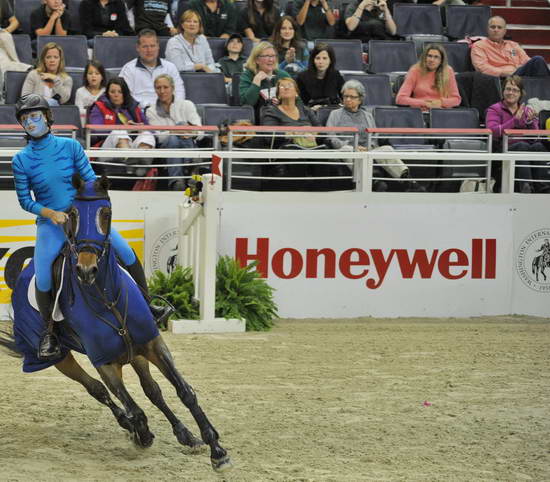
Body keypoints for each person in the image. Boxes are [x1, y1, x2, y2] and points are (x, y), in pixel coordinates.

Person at [11, 94, 171, 360]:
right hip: (51, 224)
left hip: (82, 218)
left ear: (48, 118)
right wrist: (50, 213)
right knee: (43, 274)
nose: (30, 122)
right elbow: (25, 200)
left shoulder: (71, 147)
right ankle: (49, 333)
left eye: (35, 116)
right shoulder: (21, 160)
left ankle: (148, 305)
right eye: (25, 119)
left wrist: (87, 206)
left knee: (126, 251)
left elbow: (89, 180)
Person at [326, 79, 424, 192]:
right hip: (347, 149)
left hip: (367, 149)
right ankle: (373, 181)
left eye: (352, 97)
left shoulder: (367, 115)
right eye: (345, 96)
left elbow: (374, 135)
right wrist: (354, 147)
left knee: (387, 149)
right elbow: (331, 136)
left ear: (360, 99)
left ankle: (408, 181)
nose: (348, 99)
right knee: (347, 150)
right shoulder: (335, 114)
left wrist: (369, 146)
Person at [486, 75, 549, 193]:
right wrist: (514, 121)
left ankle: (543, 187)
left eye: (515, 90)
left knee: (538, 147)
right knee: (522, 146)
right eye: (508, 89)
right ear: (503, 91)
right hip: (503, 148)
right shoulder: (494, 109)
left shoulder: (526, 110)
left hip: (526, 147)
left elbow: (536, 138)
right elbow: (493, 131)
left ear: (521, 93)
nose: (511, 93)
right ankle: (526, 186)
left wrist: (531, 122)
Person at [88, 77, 156, 178]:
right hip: (106, 149)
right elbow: (95, 130)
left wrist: (140, 128)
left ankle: (141, 163)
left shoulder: (133, 108)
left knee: (147, 134)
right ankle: (130, 158)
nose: (116, 95)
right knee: (119, 132)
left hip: (132, 146)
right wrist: (124, 128)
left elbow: (151, 129)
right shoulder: (99, 107)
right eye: (112, 92)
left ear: (125, 93)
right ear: (107, 93)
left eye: (120, 92)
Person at [147, 74, 202, 191]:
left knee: (178, 132)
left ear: (172, 88)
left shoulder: (187, 105)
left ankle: (176, 182)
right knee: (174, 135)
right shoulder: (151, 111)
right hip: (164, 149)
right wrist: (175, 130)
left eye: (165, 87)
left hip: (187, 142)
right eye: (158, 88)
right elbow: (158, 137)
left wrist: (188, 132)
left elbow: (200, 131)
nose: (162, 91)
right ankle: (191, 165)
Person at [119, 29, 185, 108]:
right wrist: (147, 106)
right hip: (141, 112)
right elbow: (125, 96)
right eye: (145, 46)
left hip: (168, 110)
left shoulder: (170, 67)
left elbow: (179, 92)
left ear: (158, 47)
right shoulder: (128, 69)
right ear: (138, 48)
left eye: (152, 46)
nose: (149, 50)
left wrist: (172, 107)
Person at [471, 16, 550, 78]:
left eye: (499, 27)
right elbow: (482, 68)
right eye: (493, 27)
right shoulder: (479, 45)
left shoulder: (513, 45)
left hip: (519, 75)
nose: (496, 30)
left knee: (537, 62)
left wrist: (518, 69)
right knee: (537, 60)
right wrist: (503, 72)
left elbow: (526, 61)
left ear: (505, 31)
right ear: (487, 30)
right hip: (502, 79)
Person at [396, 44, 461, 111]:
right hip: (420, 112)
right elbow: (400, 99)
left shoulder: (448, 71)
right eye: (429, 56)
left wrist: (441, 103)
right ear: (425, 57)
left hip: (441, 113)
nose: (432, 60)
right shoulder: (415, 70)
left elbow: (456, 100)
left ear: (441, 61)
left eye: (436, 57)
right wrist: (425, 103)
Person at [239, 41, 290, 120]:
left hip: (283, 119)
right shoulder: (247, 76)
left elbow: (297, 100)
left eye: (273, 56)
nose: (271, 60)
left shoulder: (283, 75)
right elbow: (247, 104)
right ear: (257, 60)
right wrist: (256, 82)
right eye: (266, 56)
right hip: (256, 120)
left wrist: (282, 102)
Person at [21, 42, 72, 106]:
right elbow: (25, 98)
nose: (52, 60)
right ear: (44, 60)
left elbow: (63, 100)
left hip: (56, 112)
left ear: (60, 60)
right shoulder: (34, 75)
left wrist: (55, 79)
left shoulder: (67, 79)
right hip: (35, 110)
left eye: (56, 57)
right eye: (48, 57)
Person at [296, 43, 344, 109]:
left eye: (325, 58)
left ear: (330, 60)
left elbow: (344, 96)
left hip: (331, 112)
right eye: (317, 58)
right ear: (313, 60)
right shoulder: (302, 77)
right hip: (309, 114)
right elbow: (300, 103)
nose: (321, 62)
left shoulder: (336, 75)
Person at [0, 0, 32, 84]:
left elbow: (15, 22)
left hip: (1, 39)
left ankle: (19, 66)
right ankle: (23, 68)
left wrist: (6, 31)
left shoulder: (3, 2)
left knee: (5, 36)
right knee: (3, 62)